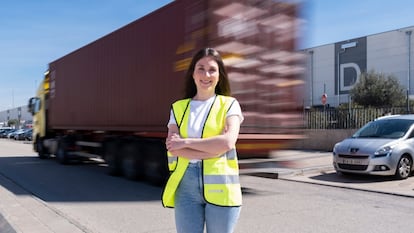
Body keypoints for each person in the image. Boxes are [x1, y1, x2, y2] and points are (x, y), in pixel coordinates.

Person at [162, 48, 243, 233]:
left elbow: (228, 143)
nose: (206, 74)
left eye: (212, 69)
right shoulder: (178, 108)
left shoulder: (229, 105)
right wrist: (213, 149)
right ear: (192, 73)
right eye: (201, 68)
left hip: (222, 185)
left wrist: (186, 142)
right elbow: (173, 148)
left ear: (219, 75)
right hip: (186, 187)